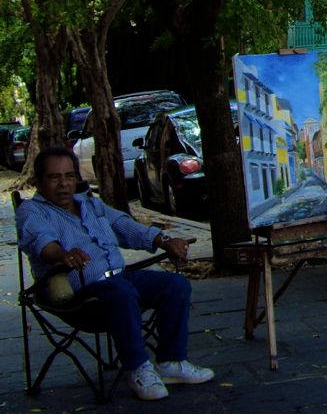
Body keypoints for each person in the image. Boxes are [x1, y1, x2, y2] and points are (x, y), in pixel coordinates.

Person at [16, 146, 214, 401]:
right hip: (81, 293)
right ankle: (138, 367)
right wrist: (62, 254)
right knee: (122, 292)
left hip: (120, 279)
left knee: (175, 284)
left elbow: (124, 225)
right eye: (54, 177)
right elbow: (41, 241)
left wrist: (163, 240)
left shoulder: (90, 204)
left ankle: (171, 362)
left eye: (69, 176)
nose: (63, 184)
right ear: (40, 182)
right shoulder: (32, 211)